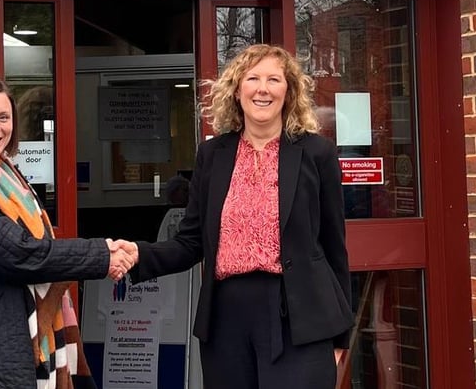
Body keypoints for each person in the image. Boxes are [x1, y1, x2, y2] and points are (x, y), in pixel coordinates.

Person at [117, 44, 354, 389]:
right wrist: (140, 254)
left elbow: (335, 247)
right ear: (236, 89)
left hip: (301, 318)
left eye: (274, 79)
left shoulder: (317, 152)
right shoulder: (213, 154)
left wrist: (340, 336)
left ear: (288, 91)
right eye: (253, 78)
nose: (263, 88)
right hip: (226, 320)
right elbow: (191, 241)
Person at [0, 74, 133, 389]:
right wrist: (102, 254)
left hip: (6, 348)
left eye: (3, 117)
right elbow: (16, 253)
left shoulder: (5, 175)